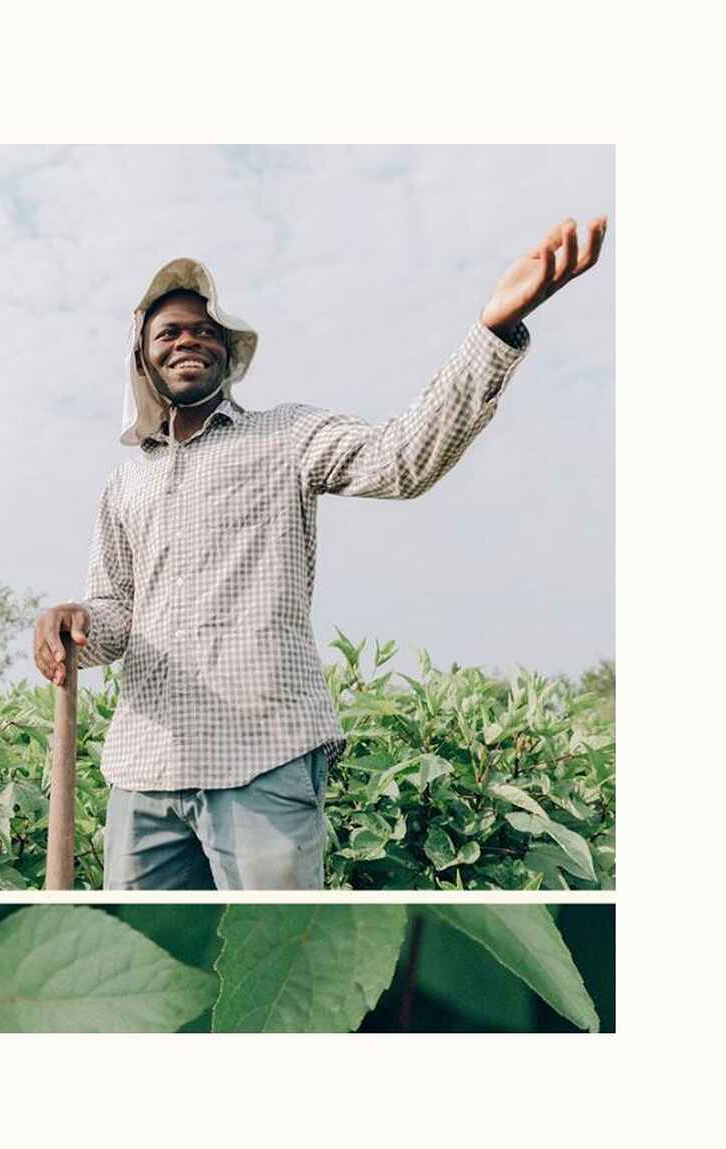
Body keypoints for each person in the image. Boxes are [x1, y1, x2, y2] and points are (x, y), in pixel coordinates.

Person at [31, 217, 610, 888]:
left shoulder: (287, 436)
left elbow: (403, 460)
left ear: (228, 354)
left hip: (262, 760)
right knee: (143, 967)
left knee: (277, 960)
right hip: (146, 776)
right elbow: (116, 613)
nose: (189, 339)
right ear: (144, 358)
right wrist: (73, 625)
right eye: (170, 332)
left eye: (205, 330)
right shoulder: (126, 480)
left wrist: (494, 332)